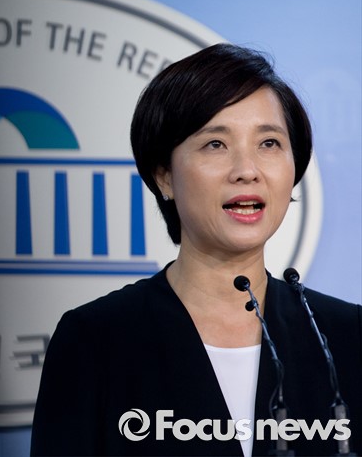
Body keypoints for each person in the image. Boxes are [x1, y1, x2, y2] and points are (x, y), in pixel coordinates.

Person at [30, 44, 362, 456]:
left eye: (269, 143)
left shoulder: (347, 337)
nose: (247, 170)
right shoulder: (96, 340)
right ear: (164, 176)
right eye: (215, 144)